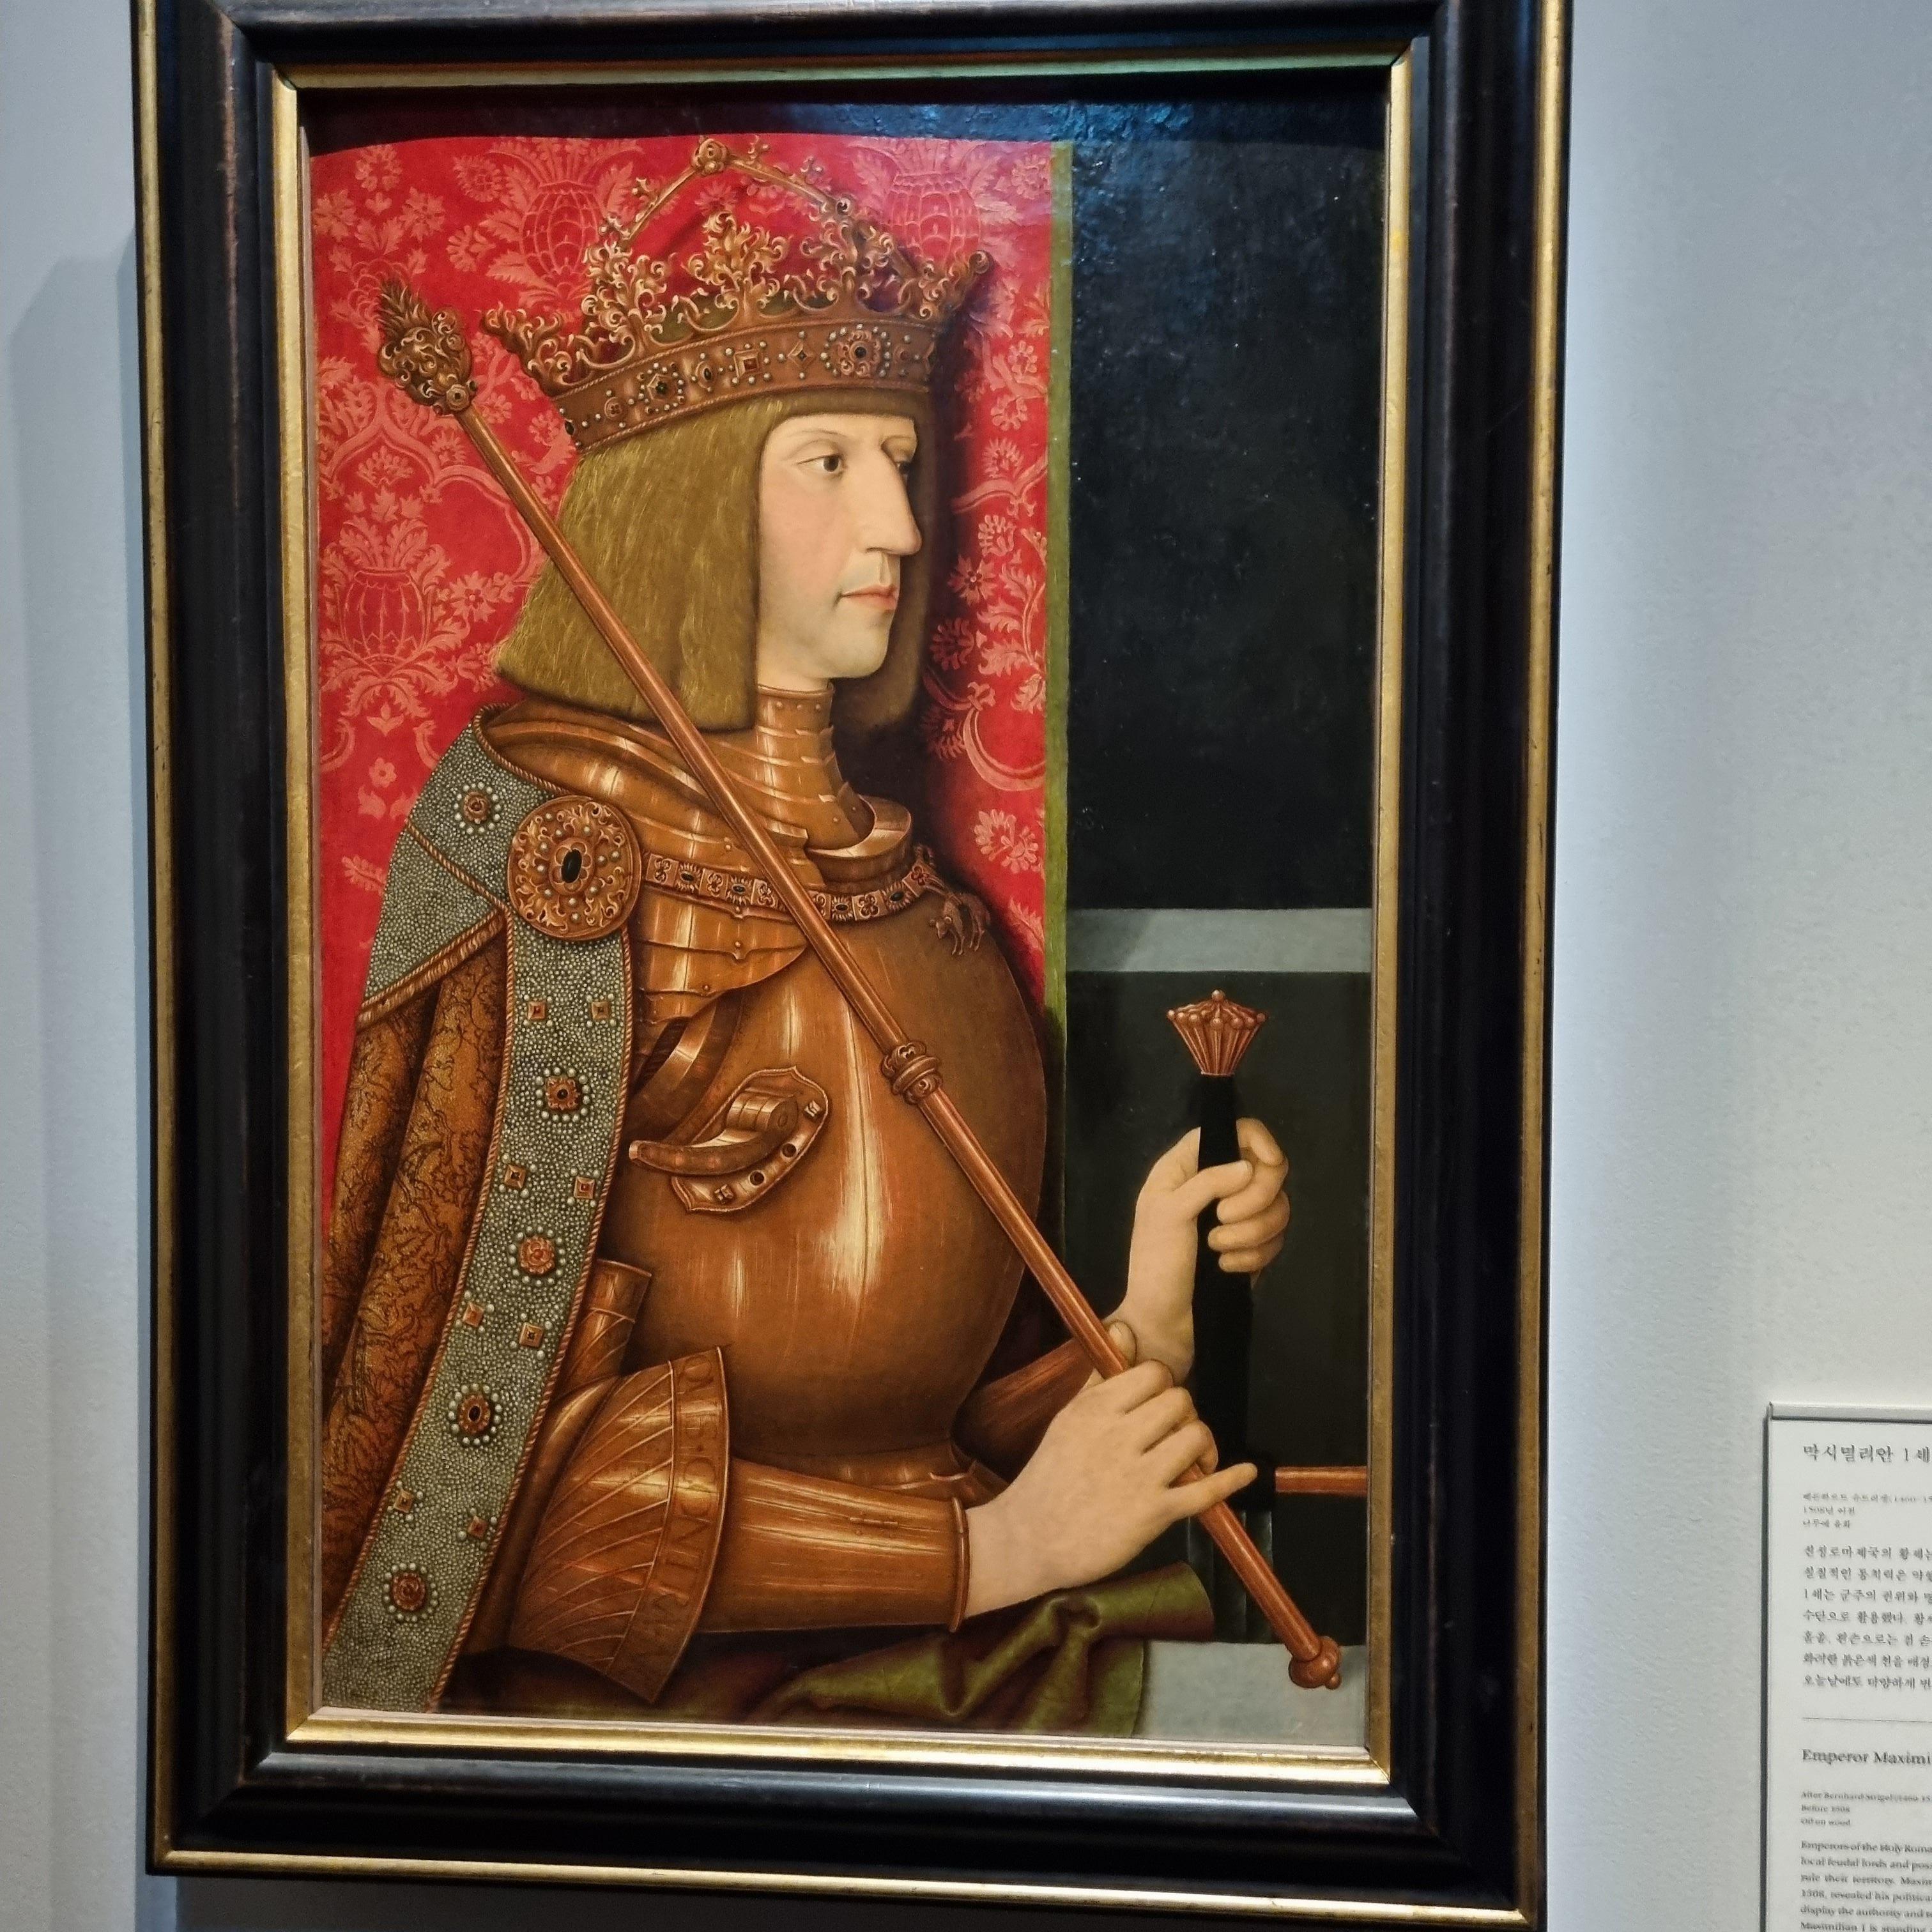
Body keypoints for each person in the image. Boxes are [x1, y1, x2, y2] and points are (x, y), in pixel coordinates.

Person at [318, 140, 1289, 1732]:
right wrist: (988, 1552)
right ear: (688, 506)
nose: (898, 525)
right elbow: (481, 1493)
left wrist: (1140, 1323)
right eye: (827, 463)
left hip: (946, 1664)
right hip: (664, 1726)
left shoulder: (916, 904)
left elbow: (918, 1410)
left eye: (900, 459)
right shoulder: (557, 870)